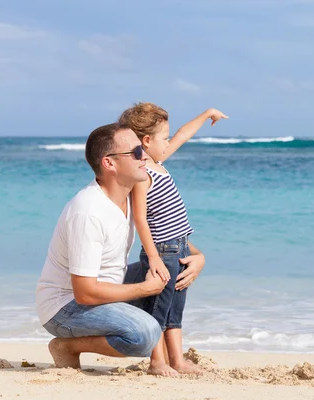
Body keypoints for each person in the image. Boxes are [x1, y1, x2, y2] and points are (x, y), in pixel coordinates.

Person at [36, 122, 168, 369]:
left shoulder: (128, 194)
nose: (146, 156)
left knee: (171, 266)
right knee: (144, 335)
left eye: (144, 149)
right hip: (65, 307)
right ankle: (66, 346)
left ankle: (165, 360)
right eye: (137, 152)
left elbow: (165, 228)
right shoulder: (88, 212)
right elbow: (85, 292)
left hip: (104, 288)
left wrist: (196, 256)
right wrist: (144, 289)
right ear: (109, 163)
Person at [119, 103, 227, 376]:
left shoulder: (158, 160)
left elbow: (182, 134)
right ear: (146, 141)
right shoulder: (143, 173)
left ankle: (177, 360)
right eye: (163, 139)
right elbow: (141, 219)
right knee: (157, 308)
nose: (168, 143)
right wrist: (153, 256)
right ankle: (157, 362)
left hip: (179, 247)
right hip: (162, 252)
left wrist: (205, 114)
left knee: (174, 311)